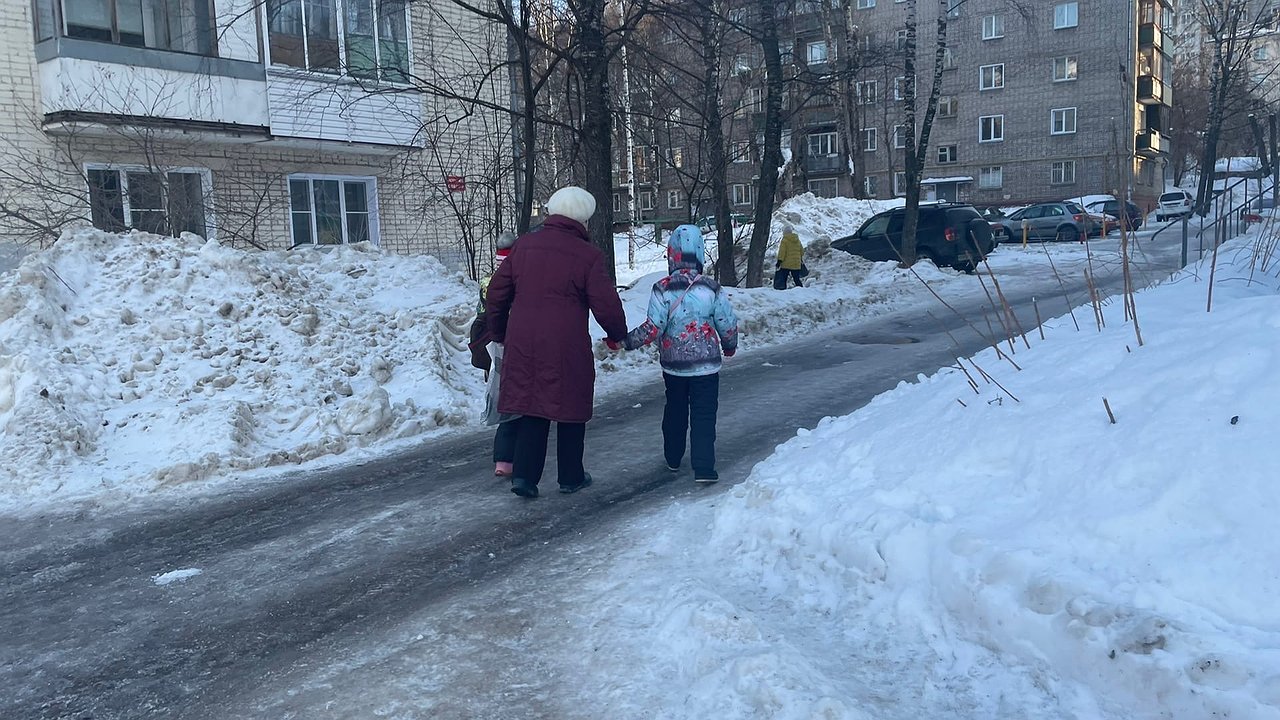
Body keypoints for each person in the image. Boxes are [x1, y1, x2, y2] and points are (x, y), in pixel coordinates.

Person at [485, 187, 628, 499]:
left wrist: (499, 334)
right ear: (582, 220)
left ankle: (524, 477)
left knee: (532, 405)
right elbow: (606, 303)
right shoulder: (588, 256)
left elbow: (496, 294)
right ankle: (571, 476)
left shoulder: (524, 246)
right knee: (570, 406)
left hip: (523, 341)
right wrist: (617, 333)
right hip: (566, 344)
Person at [610, 224, 738, 483]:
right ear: (700, 253)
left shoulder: (662, 288)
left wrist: (624, 342)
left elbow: (652, 328)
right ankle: (704, 467)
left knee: (675, 410)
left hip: (674, 366)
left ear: (672, 254)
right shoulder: (711, 288)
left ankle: (673, 456)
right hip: (706, 367)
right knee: (703, 413)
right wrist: (729, 345)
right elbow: (726, 321)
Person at [479, 231, 519, 477]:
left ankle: (502, 459)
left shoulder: (487, 283)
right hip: (516, 346)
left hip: (495, 348)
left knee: (505, 399)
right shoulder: (518, 283)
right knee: (520, 404)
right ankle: (512, 458)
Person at [774, 223, 805, 289]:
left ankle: (783, 290)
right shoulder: (797, 240)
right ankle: (801, 290)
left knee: (783, 278)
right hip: (796, 264)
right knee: (796, 279)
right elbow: (802, 252)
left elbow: (782, 252)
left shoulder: (784, 241)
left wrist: (779, 261)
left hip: (786, 264)